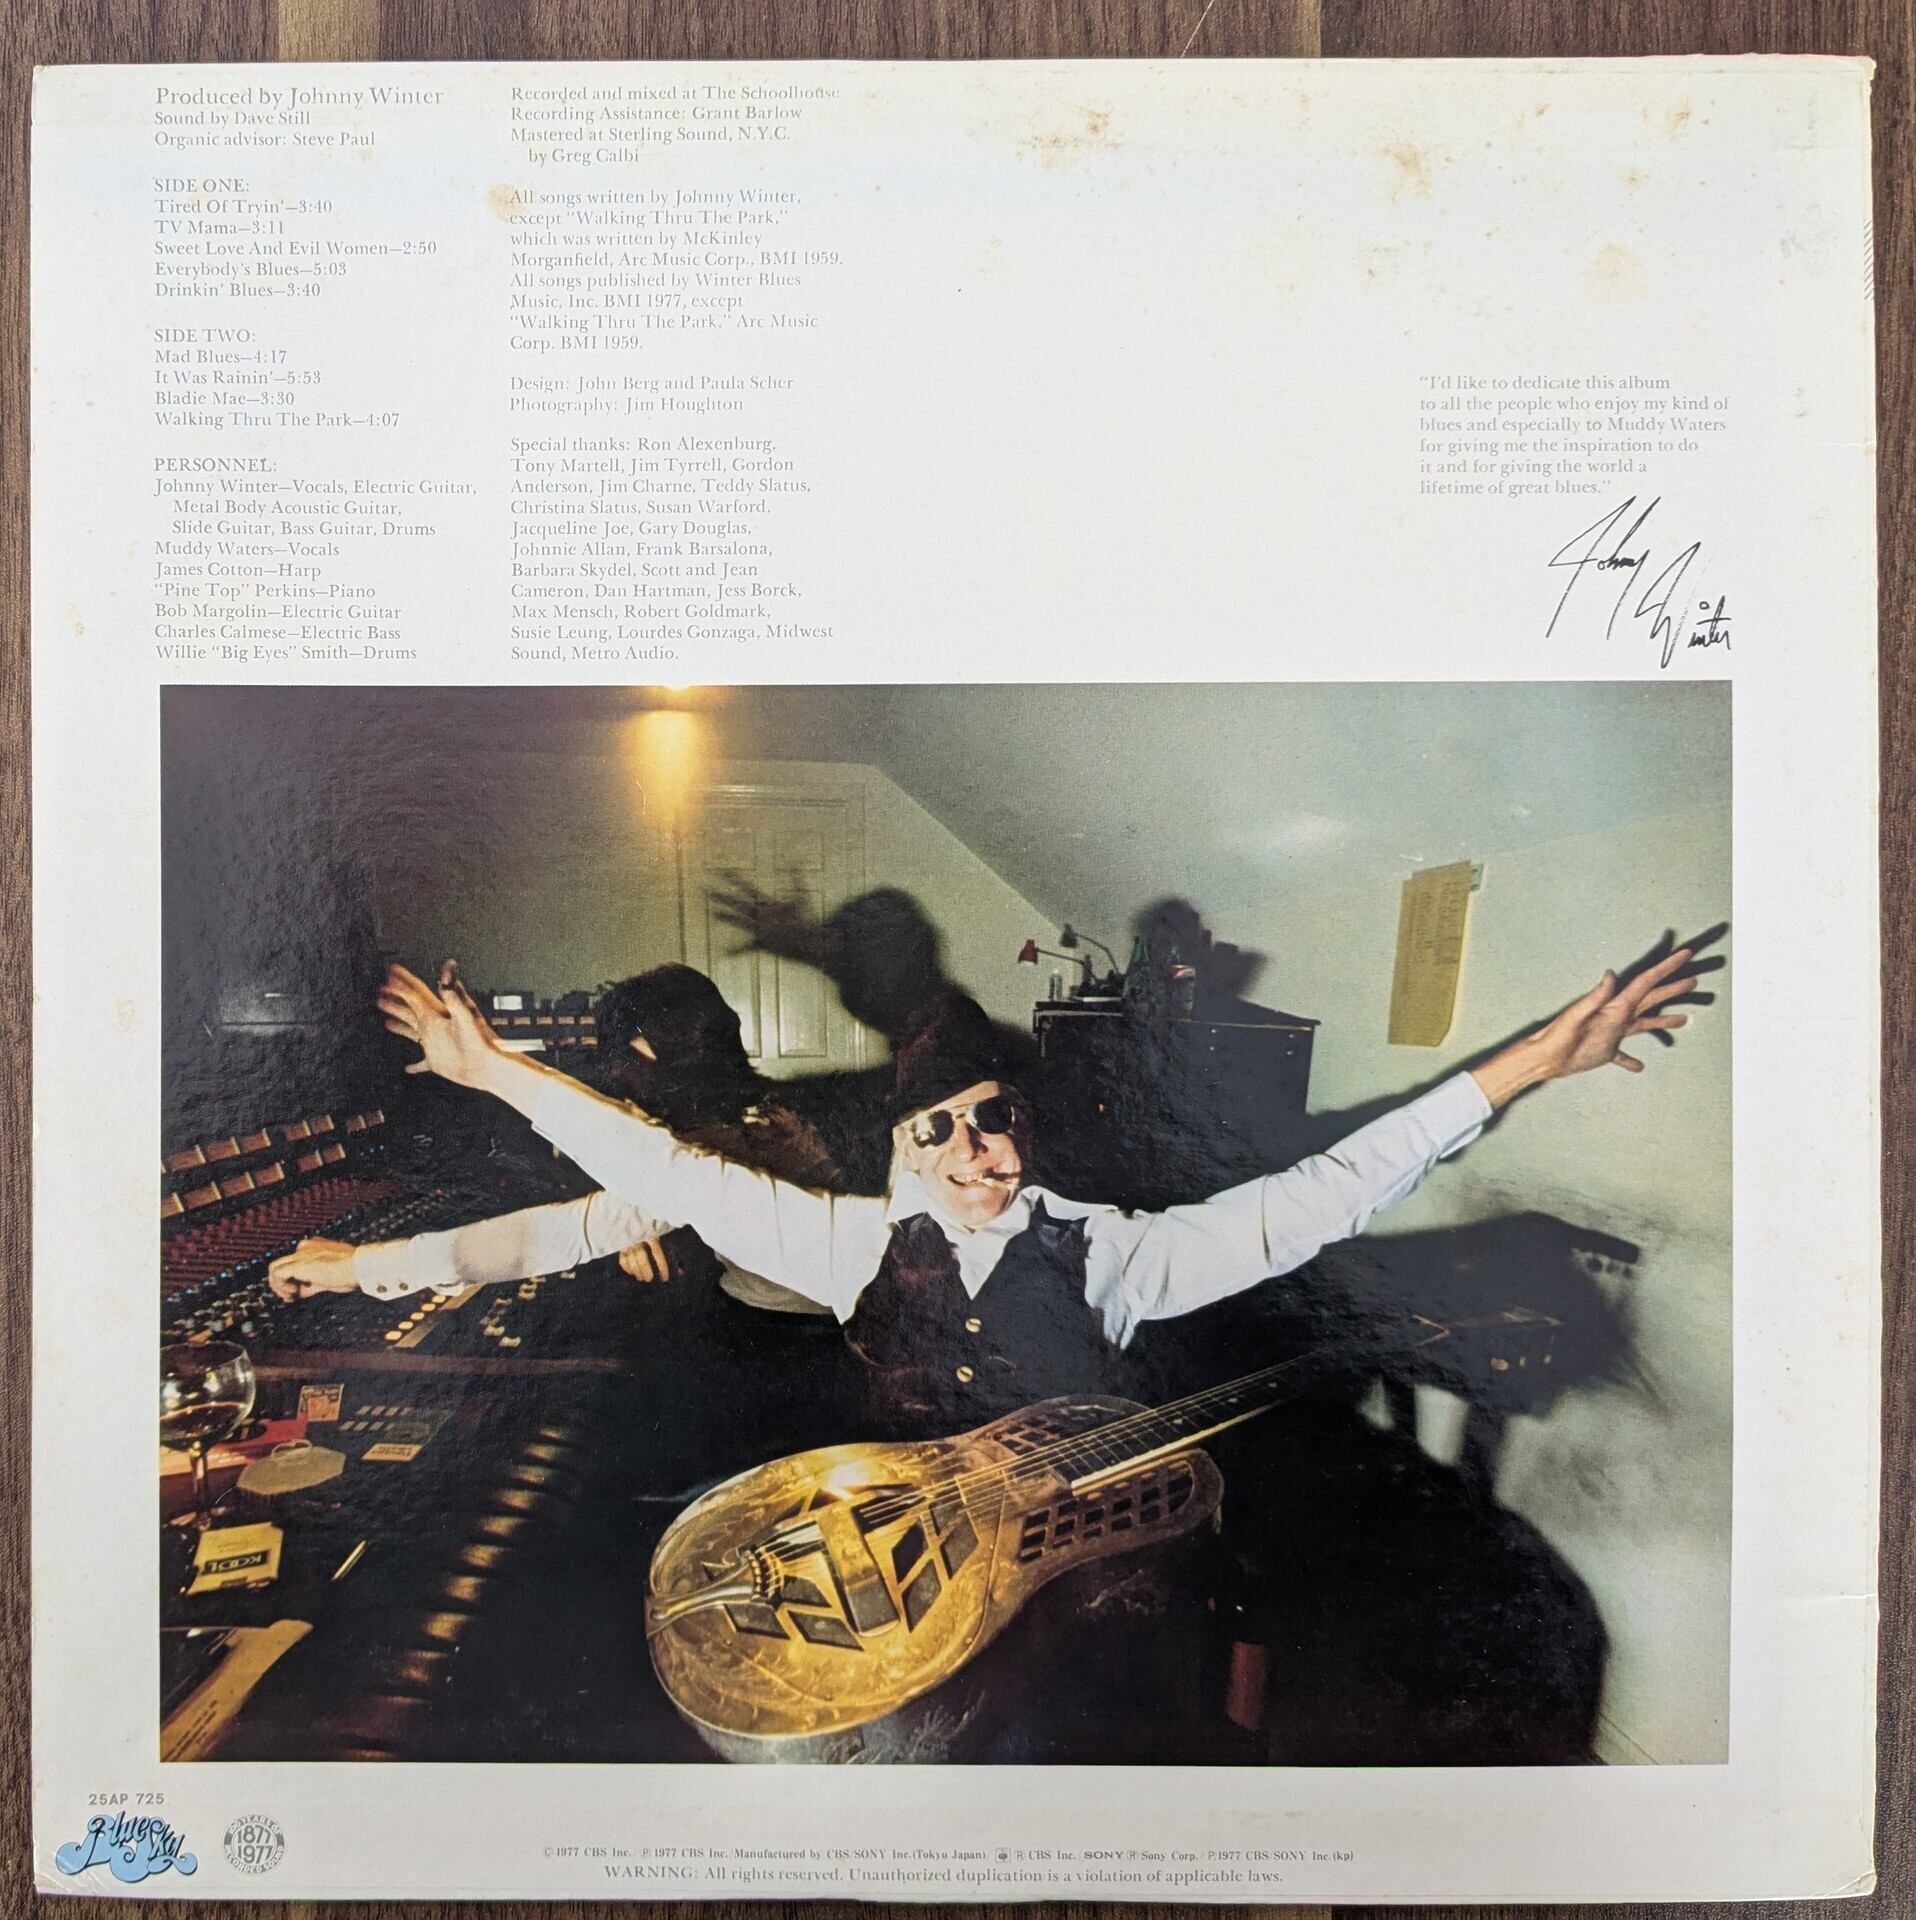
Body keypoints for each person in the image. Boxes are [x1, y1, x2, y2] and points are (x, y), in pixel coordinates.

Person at [360, 943, 1700, 1431]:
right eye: (937, 1131)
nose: (972, 1156)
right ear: (904, 1149)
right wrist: (496, 1073)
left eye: (993, 1122)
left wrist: (1531, 1063)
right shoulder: (848, 1247)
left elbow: (1322, 1192)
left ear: (1028, 1128)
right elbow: (663, 1170)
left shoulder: (1115, 1255)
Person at [268, 963, 842, 1314]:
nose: (619, 1077)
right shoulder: (762, 1111)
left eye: (626, 1057)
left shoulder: (728, 1138)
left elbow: (568, 1232)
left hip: (788, 1342)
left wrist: (358, 1267)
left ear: (665, 1053)